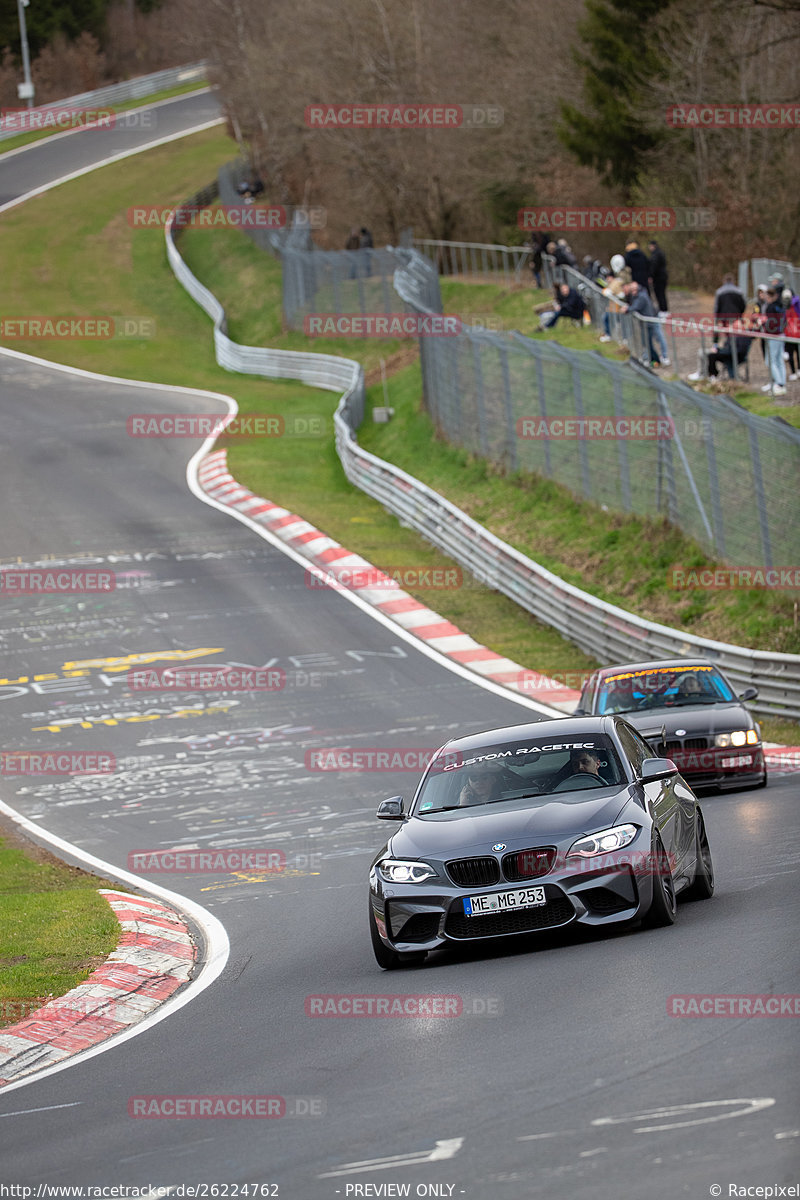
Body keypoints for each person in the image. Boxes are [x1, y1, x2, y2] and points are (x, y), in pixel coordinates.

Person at [687, 318, 752, 382]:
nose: (733, 326)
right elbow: (727, 346)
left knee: (712, 356)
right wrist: (718, 349)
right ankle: (703, 373)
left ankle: (713, 375)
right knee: (706, 352)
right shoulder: (733, 334)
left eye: (736, 325)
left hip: (734, 355)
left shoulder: (744, 336)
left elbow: (739, 350)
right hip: (727, 353)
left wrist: (719, 351)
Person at [623, 281, 665, 366]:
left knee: (653, 341)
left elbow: (636, 306)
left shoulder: (642, 296)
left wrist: (627, 309)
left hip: (650, 322)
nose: (633, 291)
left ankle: (659, 359)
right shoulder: (635, 295)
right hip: (646, 322)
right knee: (646, 343)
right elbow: (632, 304)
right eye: (631, 290)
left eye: (634, 289)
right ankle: (651, 359)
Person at [761, 286, 787, 395]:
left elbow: (771, 323)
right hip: (781, 335)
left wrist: (763, 323)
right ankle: (780, 383)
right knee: (779, 360)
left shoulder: (771, 307)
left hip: (774, 336)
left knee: (770, 360)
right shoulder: (779, 306)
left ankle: (779, 383)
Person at [782, 287, 800, 381]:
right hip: (789, 333)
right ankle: (793, 371)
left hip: (795, 333)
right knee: (791, 354)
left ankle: (797, 371)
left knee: (796, 352)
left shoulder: (796, 304)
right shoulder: (786, 307)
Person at [648, 239, 669, 313]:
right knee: (662, 294)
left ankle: (663, 310)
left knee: (660, 294)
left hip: (659, 278)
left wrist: (651, 275)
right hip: (662, 276)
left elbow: (654, 266)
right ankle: (664, 309)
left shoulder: (655, 254)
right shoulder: (660, 253)